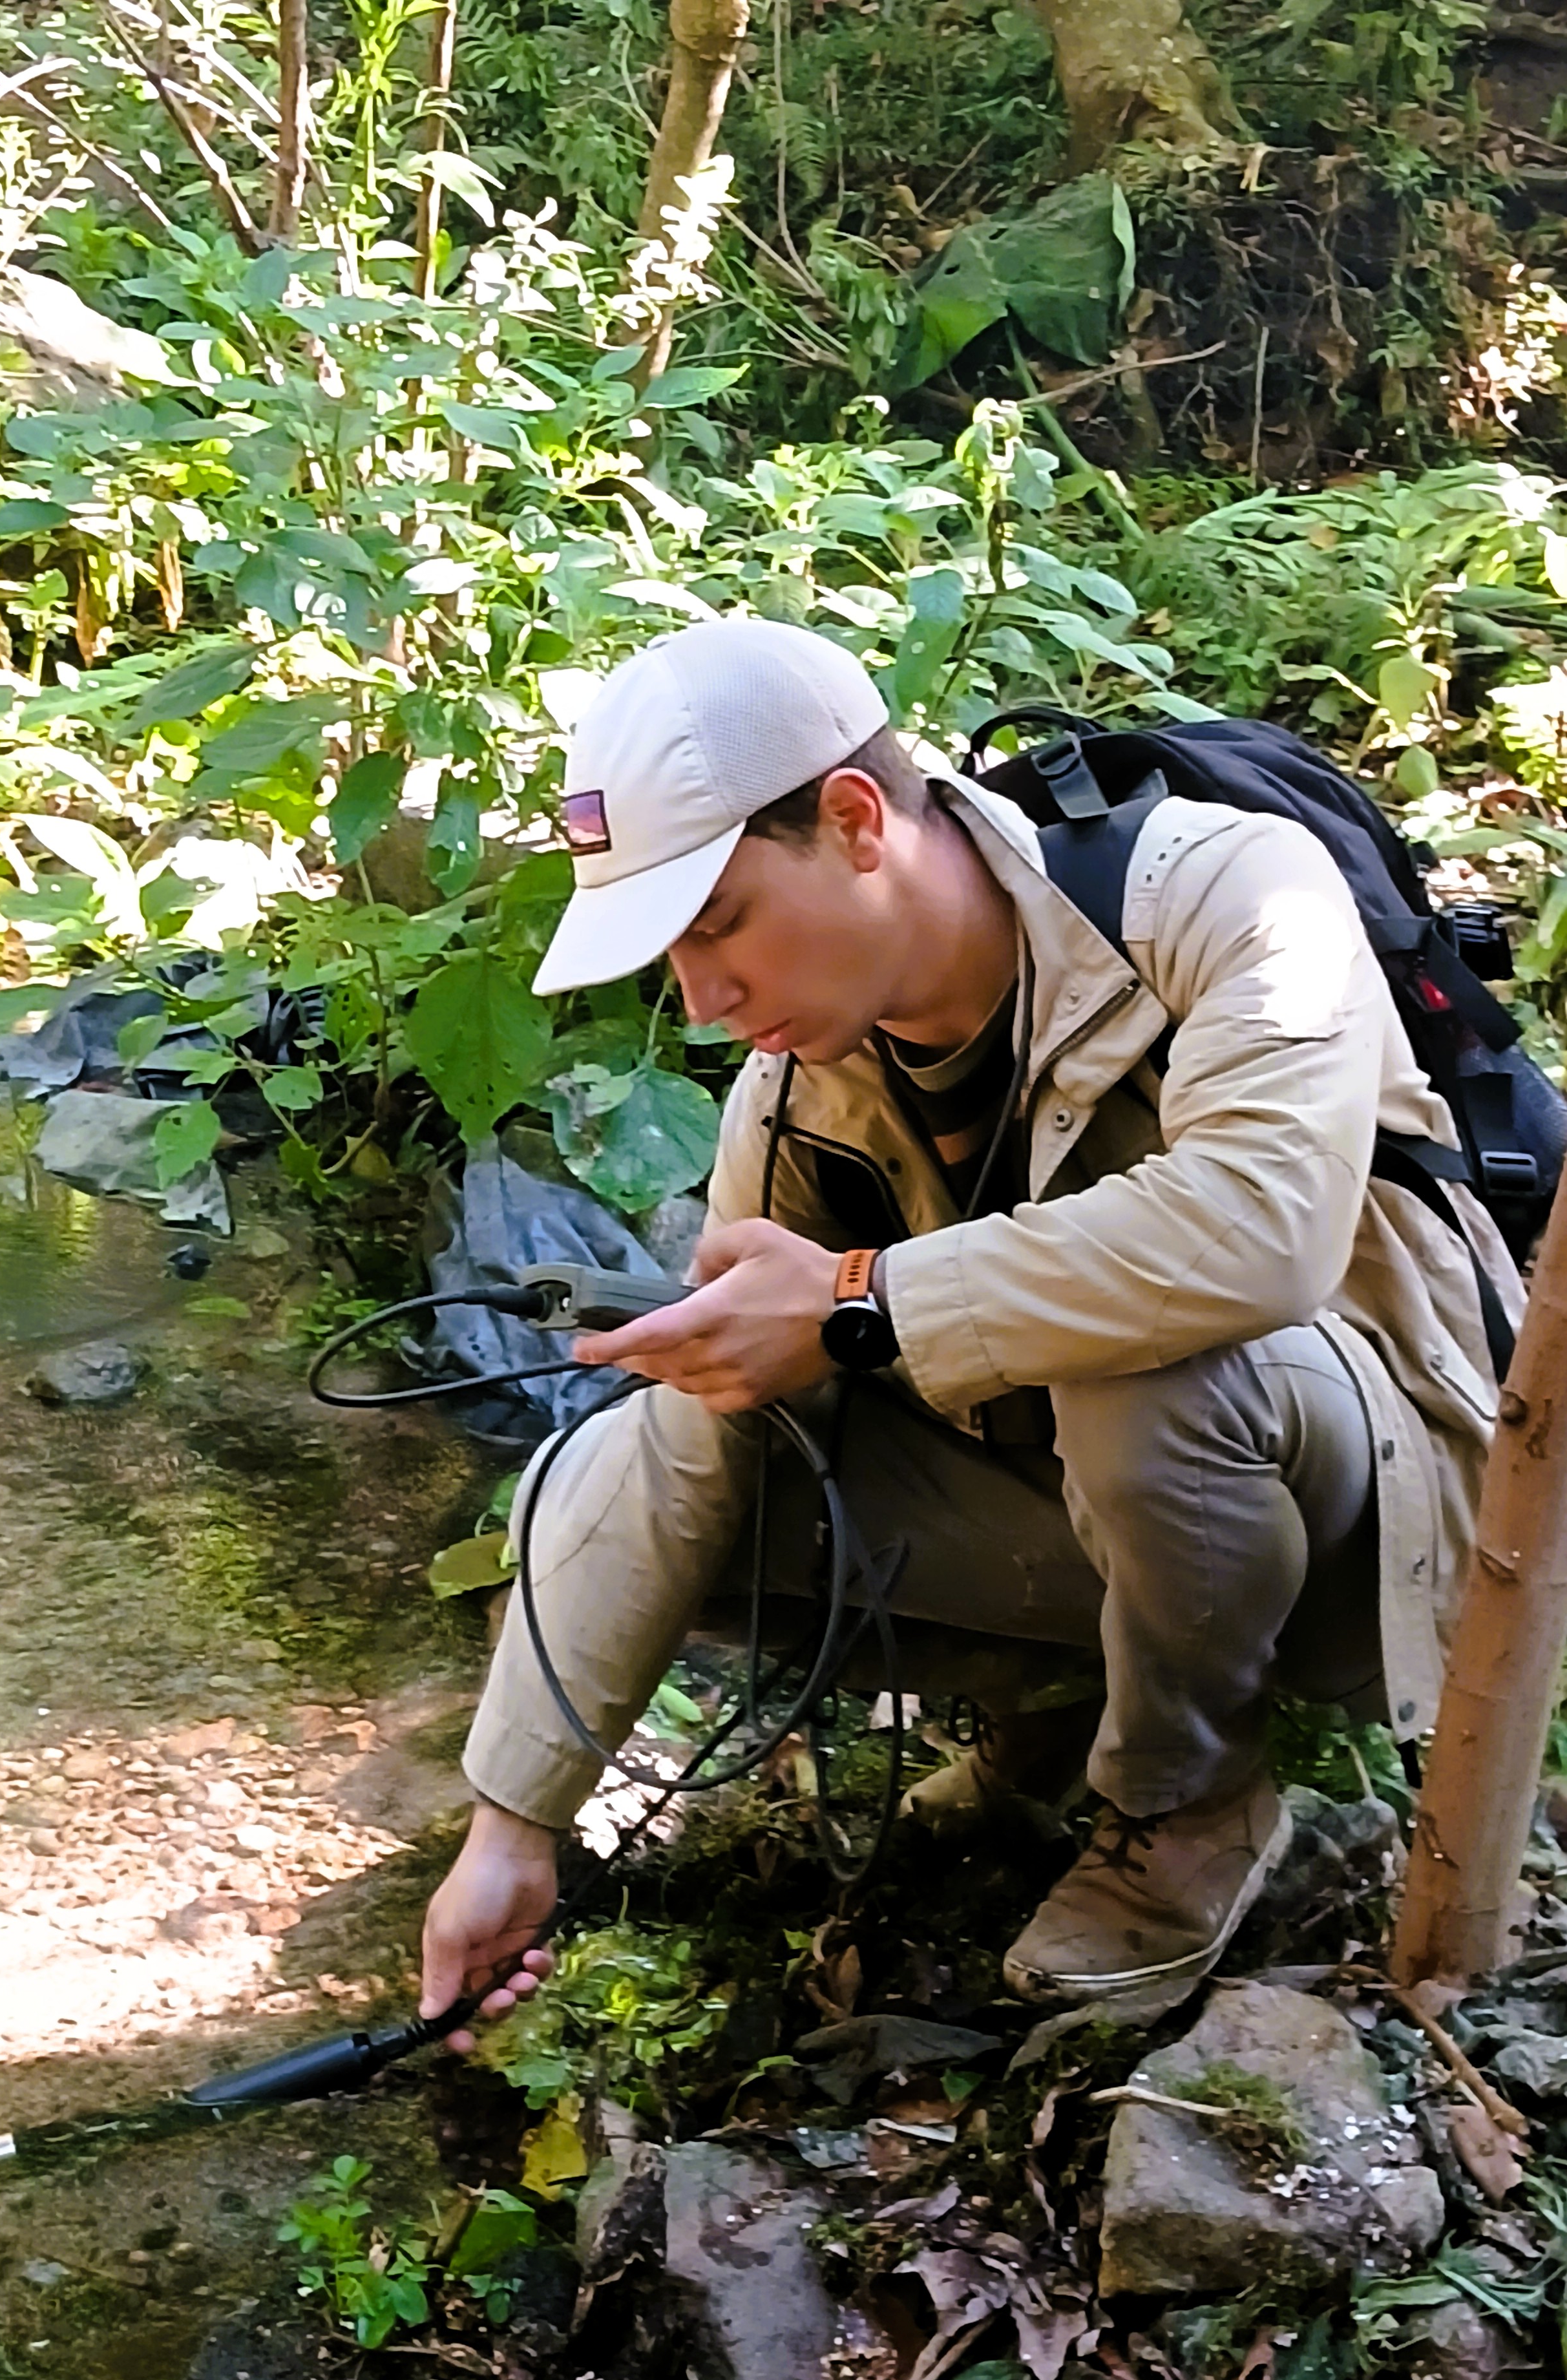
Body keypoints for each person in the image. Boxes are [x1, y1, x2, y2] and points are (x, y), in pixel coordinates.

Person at [417, 616, 1521, 2041]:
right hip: (1112, 1518)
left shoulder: (1225, 890)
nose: (701, 997)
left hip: (1373, 1517)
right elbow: (700, 1426)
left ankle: (1189, 1808)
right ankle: (1057, 1716)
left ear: (855, 820)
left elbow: (1261, 1232)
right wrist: (513, 1827)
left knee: (1149, 1366)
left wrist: (857, 1302)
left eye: (719, 922)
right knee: (613, 1467)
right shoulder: (797, 1089)